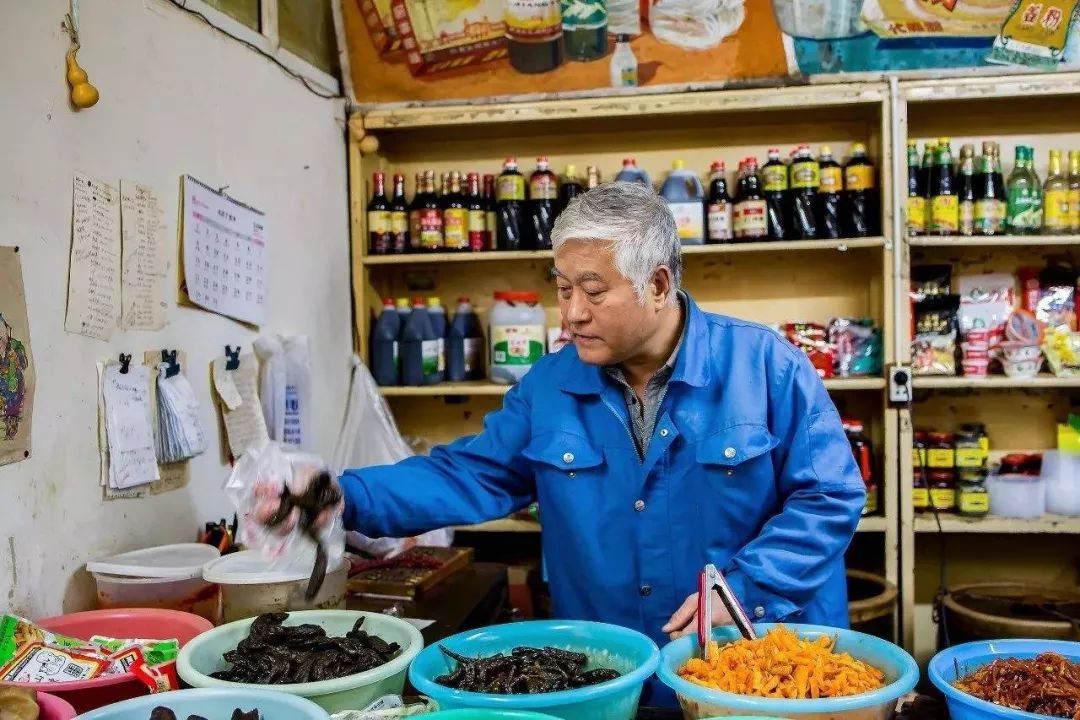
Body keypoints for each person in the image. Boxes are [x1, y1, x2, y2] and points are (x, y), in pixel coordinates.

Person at [258, 182, 865, 705]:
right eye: (563, 287)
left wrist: (747, 590)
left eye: (593, 291)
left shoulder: (765, 368)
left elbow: (830, 496)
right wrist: (343, 494)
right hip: (609, 669)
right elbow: (471, 473)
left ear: (657, 283)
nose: (571, 312)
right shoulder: (550, 385)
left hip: (752, 662)